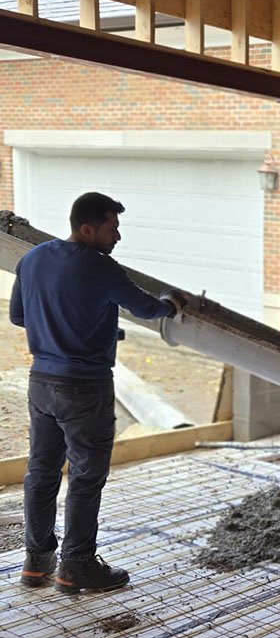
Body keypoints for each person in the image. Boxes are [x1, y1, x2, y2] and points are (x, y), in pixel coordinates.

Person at [10, 192, 186, 593]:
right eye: (112, 228)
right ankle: (76, 566)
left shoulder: (32, 259)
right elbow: (146, 307)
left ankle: (37, 562)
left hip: (42, 384)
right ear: (87, 229)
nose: (117, 236)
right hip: (85, 389)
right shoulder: (100, 266)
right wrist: (170, 306)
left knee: (41, 472)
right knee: (86, 477)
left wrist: (62, 326)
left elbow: (19, 315)